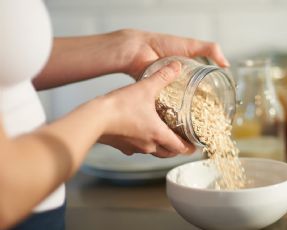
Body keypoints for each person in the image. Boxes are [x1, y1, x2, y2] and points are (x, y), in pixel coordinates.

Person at [0, 1, 230, 229]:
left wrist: (128, 49)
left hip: (43, 204)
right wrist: (107, 115)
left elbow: (12, 58)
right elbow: (5, 190)